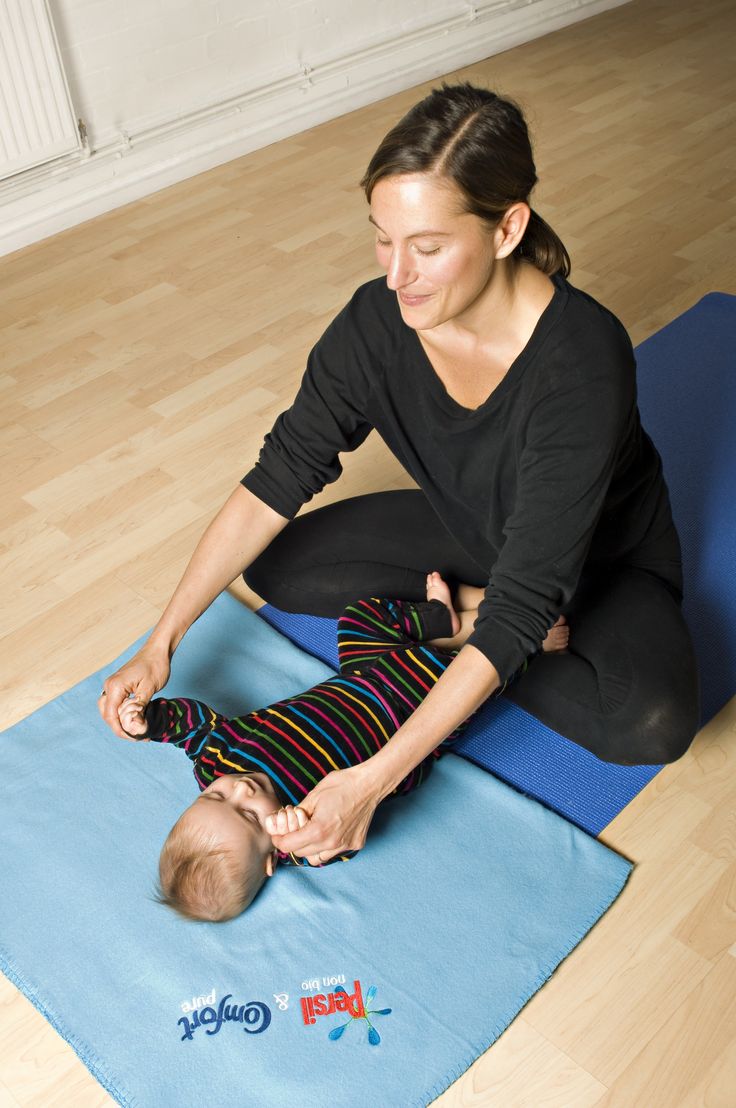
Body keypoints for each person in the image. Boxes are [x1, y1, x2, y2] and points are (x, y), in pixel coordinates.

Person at [100, 82, 700, 871]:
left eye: (426, 246)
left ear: (507, 227)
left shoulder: (581, 359)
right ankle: (475, 639)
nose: (397, 275)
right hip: (476, 534)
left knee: (647, 725)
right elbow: (279, 474)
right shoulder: (377, 323)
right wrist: (162, 640)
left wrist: (373, 779)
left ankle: (481, 646)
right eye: (383, 239)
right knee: (279, 564)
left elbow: (528, 597)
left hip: (598, 565)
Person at [115, 573, 570, 920]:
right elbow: (342, 842)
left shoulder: (217, 762)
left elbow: (192, 727)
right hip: (420, 706)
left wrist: (150, 722)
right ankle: (522, 640)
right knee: (474, 684)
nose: (240, 791)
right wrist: (296, 824)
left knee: (357, 618)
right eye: (249, 816)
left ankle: (448, 619)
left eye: (215, 796)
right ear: (272, 859)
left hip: (362, 673)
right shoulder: (302, 836)